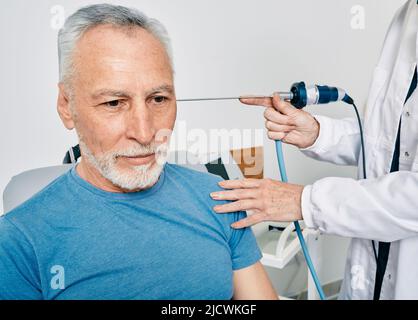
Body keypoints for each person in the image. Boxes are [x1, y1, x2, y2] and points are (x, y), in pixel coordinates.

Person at [0, 4, 277, 300]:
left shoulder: (219, 199)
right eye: (114, 103)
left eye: (158, 99)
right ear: (66, 106)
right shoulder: (19, 239)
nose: (146, 134)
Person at [211, 0, 418, 300]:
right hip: (372, 271)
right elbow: (393, 145)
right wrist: (320, 134)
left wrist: (306, 202)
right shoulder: (407, 16)